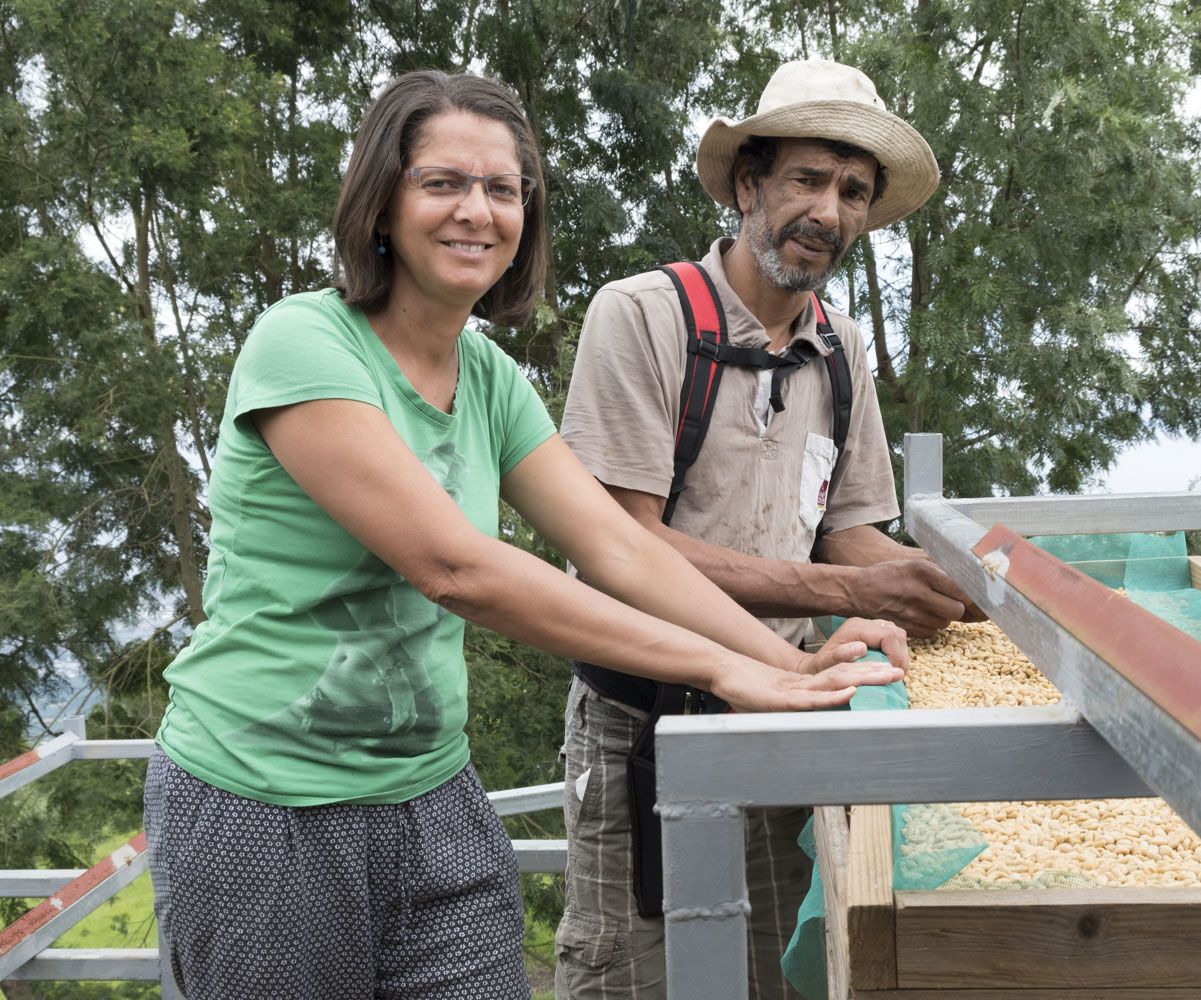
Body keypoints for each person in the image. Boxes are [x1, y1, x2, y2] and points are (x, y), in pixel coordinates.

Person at [143, 69, 906, 1000]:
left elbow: (619, 547)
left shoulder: (490, 378)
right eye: (443, 183)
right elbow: (458, 568)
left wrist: (785, 668)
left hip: (430, 794)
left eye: (503, 190)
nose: (477, 212)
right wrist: (723, 667)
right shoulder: (302, 344)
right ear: (382, 201)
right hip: (263, 807)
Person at [554, 59, 977, 999]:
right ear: (749, 183)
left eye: (853, 190)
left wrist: (969, 589)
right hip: (644, 718)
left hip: (788, 707)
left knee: (791, 970)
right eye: (807, 179)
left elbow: (853, 533)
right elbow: (620, 544)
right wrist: (853, 593)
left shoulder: (841, 349)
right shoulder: (645, 318)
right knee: (634, 975)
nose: (828, 211)